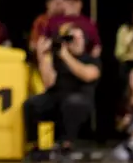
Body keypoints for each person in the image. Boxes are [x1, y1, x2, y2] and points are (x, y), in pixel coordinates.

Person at [23, 26, 100, 154]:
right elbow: (48, 83)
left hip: (80, 100)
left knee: (70, 103)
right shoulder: (58, 60)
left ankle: (66, 144)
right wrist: (42, 57)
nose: (76, 41)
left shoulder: (91, 59)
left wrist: (66, 56)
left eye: (79, 37)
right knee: (32, 104)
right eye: (71, 38)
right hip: (57, 97)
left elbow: (87, 75)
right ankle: (34, 145)